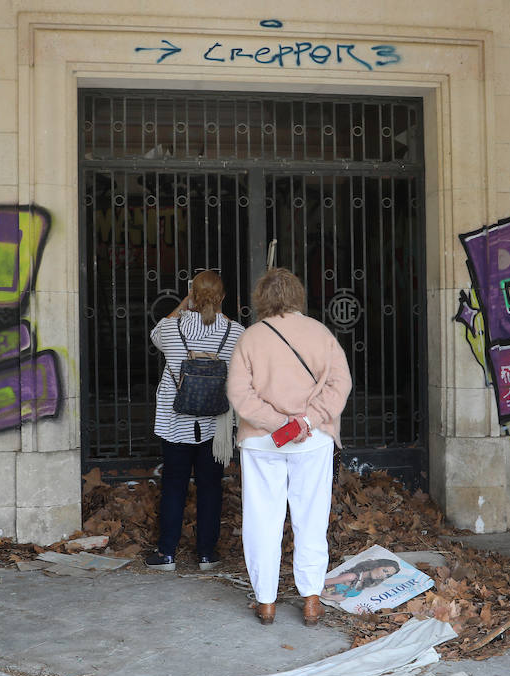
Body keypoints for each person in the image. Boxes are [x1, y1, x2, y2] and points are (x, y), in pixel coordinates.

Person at [226, 268, 352, 626]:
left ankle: (266, 602)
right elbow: (340, 384)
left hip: (261, 441)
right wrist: (308, 420)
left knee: (261, 519)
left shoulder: (250, 338)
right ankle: (311, 599)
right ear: (297, 295)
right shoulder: (321, 333)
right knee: (311, 519)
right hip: (313, 440)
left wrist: (278, 424)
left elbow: (239, 394)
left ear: (261, 298)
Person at [145, 270, 244, 572]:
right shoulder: (236, 333)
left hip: (176, 421)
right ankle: (206, 555)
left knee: (174, 485)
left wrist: (185, 302)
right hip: (215, 424)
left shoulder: (172, 328)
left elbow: (155, 335)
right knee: (210, 487)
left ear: (192, 297)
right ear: (223, 297)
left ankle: (166, 554)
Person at [322, 558, 400, 603]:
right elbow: (322, 583)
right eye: (384, 571)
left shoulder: (364, 583)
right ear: (377, 565)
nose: (383, 575)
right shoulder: (351, 577)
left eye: (387, 575)